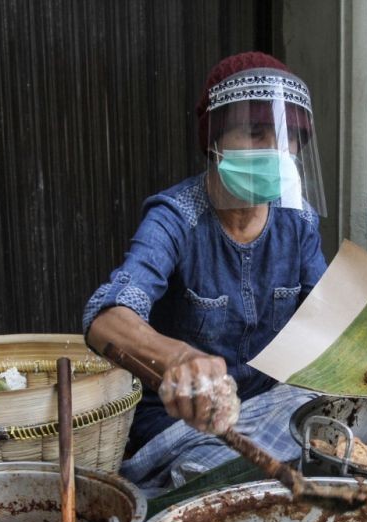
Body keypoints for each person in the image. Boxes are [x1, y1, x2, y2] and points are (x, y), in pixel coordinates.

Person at [83, 52, 329, 495]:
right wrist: (179, 360)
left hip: (271, 409)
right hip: (183, 427)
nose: (277, 151)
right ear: (214, 140)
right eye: (256, 133)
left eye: (289, 137)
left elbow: (327, 324)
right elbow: (105, 318)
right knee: (229, 479)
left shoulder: (300, 223)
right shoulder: (175, 219)